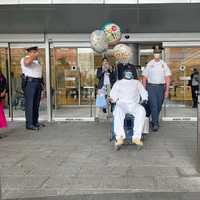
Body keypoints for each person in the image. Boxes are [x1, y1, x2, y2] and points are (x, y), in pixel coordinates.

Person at [110, 66, 148, 148]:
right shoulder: (118, 83)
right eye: (127, 72)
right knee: (118, 110)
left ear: (133, 73)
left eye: (130, 72)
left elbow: (143, 92)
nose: (128, 73)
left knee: (141, 110)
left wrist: (144, 99)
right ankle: (119, 137)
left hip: (134, 104)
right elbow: (113, 95)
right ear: (124, 73)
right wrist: (112, 99)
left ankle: (136, 137)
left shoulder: (137, 82)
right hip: (122, 104)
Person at [142, 45, 171, 132]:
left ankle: (152, 119)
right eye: (155, 53)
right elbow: (144, 77)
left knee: (158, 106)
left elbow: (167, 77)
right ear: (153, 54)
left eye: (158, 53)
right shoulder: (150, 64)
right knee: (154, 105)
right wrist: (144, 90)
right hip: (151, 87)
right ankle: (155, 123)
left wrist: (167, 90)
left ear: (160, 54)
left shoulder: (164, 64)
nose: (157, 54)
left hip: (161, 87)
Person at [21, 46, 45, 130]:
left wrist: (42, 85)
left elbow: (39, 74)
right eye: (34, 52)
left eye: (36, 52)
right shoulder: (25, 59)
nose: (36, 53)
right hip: (30, 83)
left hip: (37, 83)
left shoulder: (36, 61)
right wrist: (32, 56)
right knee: (30, 104)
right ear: (29, 52)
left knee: (36, 104)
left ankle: (35, 122)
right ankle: (29, 124)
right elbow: (27, 63)